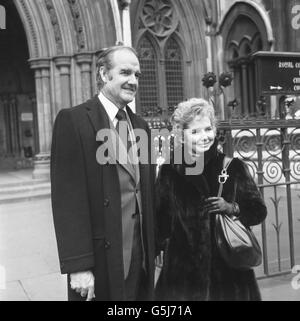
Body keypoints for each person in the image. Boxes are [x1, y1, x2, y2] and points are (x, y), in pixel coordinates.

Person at [51, 45, 156, 301]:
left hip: (140, 258)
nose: (133, 81)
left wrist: (155, 246)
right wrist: (78, 266)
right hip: (101, 260)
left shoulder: (141, 126)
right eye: (125, 72)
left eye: (137, 75)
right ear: (103, 74)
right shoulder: (73, 121)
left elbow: (147, 190)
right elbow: (68, 201)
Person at [155, 98, 267, 301]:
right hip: (183, 276)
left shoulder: (232, 167)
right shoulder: (170, 171)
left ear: (215, 130)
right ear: (181, 135)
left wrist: (232, 208)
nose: (203, 137)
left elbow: (258, 210)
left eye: (208, 129)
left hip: (229, 273)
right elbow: (160, 222)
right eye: (195, 131)